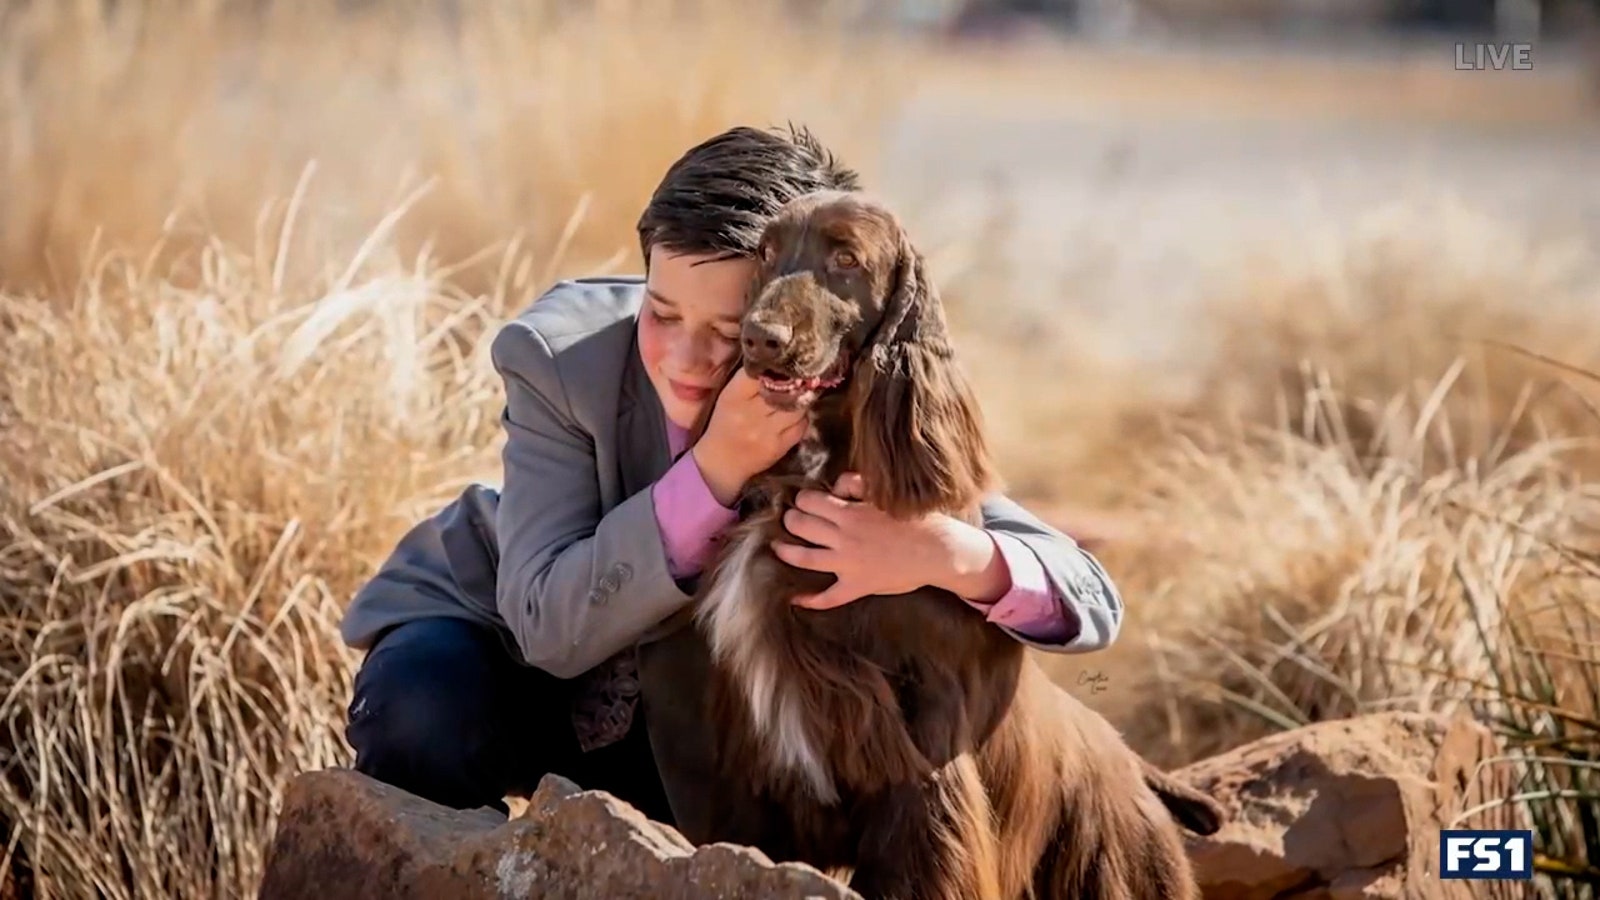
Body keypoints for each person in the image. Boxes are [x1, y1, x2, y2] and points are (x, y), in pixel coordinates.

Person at [338, 124, 1125, 827]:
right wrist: (715, 469)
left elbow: (1089, 599)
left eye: (729, 328)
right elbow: (548, 628)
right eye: (662, 311)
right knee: (422, 713)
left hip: (681, 713)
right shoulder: (562, 362)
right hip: (510, 637)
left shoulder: (835, 390)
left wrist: (948, 555)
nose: (685, 357)